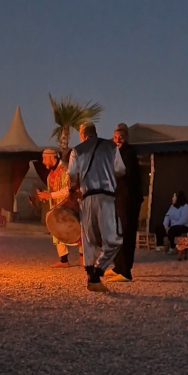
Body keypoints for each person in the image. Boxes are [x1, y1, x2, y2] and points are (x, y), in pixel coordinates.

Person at [68, 122, 126, 292]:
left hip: (86, 198)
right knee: (114, 239)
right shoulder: (110, 147)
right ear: (95, 132)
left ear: (82, 135)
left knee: (88, 239)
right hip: (106, 197)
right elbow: (121, 170)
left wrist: (73, 190)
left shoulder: (77, 150)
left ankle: (91, 275)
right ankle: (96, 273)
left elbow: (71, 175)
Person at [105, 123, 143, 282]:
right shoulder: (116, 153)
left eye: (120, 137)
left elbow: (122, 175)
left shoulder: (129, 154)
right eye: (115, 137)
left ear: (126, 138)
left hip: (128, 200)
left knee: (125, 234)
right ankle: (118, 266)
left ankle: (126, 271)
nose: (117, 140)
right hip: (118, 198)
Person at [37, 148, 71, 268]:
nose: (43, 162)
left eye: (45, 159)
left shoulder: (66, 170)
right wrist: (45, 195)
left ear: (53, 158)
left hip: (69, 207)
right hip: (56, 208)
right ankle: (63, 260)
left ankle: (85, 259)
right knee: (56, 231)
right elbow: (53, 191)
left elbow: (68, 190)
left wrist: (50, 195)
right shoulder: (51, 174)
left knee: (75, 231)